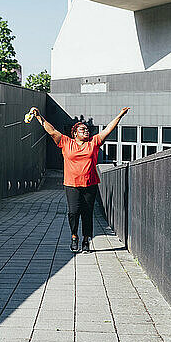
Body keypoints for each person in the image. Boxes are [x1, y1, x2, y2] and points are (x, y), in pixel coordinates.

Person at [31, 107, 130, 253]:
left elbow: (108, 129)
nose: (86, 131)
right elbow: (51, 131)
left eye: (87, 129)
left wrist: (120, 115)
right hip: (71, 184)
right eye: (82, 129)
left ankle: (86, 240)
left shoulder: (94, 142)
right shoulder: (65, 142)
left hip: (90, 184)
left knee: (87, 213)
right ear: (75, 133)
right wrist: (39, 117)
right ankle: (74, 236)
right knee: (73, 212)